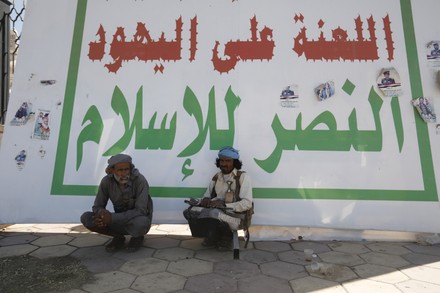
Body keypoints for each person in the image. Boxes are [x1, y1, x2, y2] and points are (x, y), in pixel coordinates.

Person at [183, 146, 253, 251]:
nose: (224, 164)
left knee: (213, 213)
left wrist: (224, 205)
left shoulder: (243, 177)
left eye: (228, 161)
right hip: (217, 212)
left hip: (236, 217)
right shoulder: (217, 177)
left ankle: (227, 237)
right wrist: (205, 200)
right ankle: (213, 236)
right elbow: (207, 195)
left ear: (234, 162)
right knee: (189, 212)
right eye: (222, 161)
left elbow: (247, 203)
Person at [80, 154, 153, 252]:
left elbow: (140, 211)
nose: (124, 174)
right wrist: (101, 214)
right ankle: (118, 237)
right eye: (120, 170)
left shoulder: (140, 180)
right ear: (112, 170)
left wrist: (112, 218)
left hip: (134, 221)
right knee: (86, 218)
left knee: (142, 222)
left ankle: (137, 237)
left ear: (130, 169)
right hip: (116, 221)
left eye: (126, 169)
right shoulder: (106, 182)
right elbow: (97, 206)